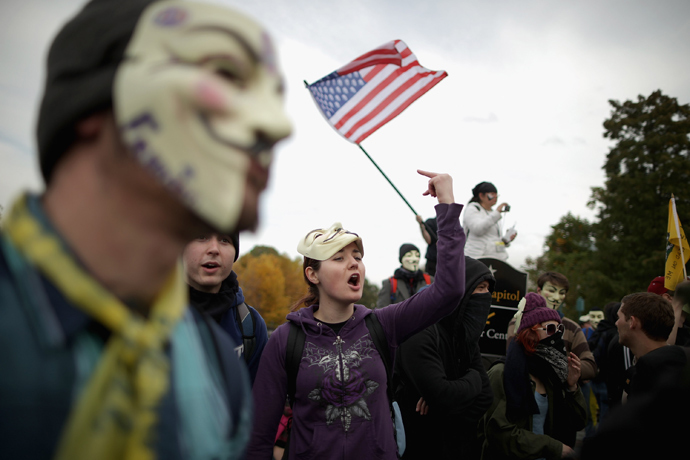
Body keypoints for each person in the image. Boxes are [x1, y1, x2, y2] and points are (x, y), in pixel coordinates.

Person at [0, 1, 292, 458]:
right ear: (96, 104)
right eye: (225, 78)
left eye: (273, 95)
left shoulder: (218, 365)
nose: (277, 125)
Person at [247, 170, 466, 459]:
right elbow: (258, 437)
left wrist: (447, 207)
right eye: (339, 258)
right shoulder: (286, 340)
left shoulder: (384, 324)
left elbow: (449, 290)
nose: (354, 264)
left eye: (358, 258)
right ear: (312, 274)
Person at [393, 257, 495, 460]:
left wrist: (443, 407)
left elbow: (485, 397)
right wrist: (473, 378)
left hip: (458, 449)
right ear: (459, 288)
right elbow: (442, 394)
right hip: (420, 448)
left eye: (487, 289)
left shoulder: (464, 335)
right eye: (480, 287)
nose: (486, 295)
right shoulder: (419, 330)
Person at [478, 293, 586, 460]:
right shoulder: (501, 373)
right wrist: (553, 447)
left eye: (560, 329)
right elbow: (498, 433)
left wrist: (572, 387)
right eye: (550, 328)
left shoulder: (551, 373)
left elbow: (576, 423)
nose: (557, 335)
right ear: (531, 333)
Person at [183, 232, 268, 384]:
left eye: (225, 240)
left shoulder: (250, 326)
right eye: (202, 237)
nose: (214, 249)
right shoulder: (146, 315)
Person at [506, 272, 597, 382]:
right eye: (551, 291)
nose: (556, 297)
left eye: (561, 292)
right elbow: (513, 358)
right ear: (539, 291)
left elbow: (590, 366)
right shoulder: (519, 322)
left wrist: (565, 368)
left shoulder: (571, 327)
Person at [614, 292, 688, 400]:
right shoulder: (678, 364)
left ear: (632, 322)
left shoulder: (650, 376)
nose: (616, 323)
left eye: (618, 317)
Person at [462, 181, 516, 261]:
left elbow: (494, 240)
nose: (495, 197)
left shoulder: (494, 214)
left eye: (496, 195)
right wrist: (497, 213)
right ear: (481, 195)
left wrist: (506, 240)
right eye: (492, 194)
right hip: (477, 258)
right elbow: (477, 229)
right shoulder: (473, 208)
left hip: (494, 259)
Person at [376, 243, 433, 308]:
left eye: (417, 255)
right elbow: (381, 311)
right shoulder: (389, 284)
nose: (414, 259)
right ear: (401, 259)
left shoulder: (430, 281)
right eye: (409, 255)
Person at [647, 275, 690, 346]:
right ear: (668, 298)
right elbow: (665, 349)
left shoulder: (686, 329)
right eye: (687, 291)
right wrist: (678, 304)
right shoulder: (652, 333)